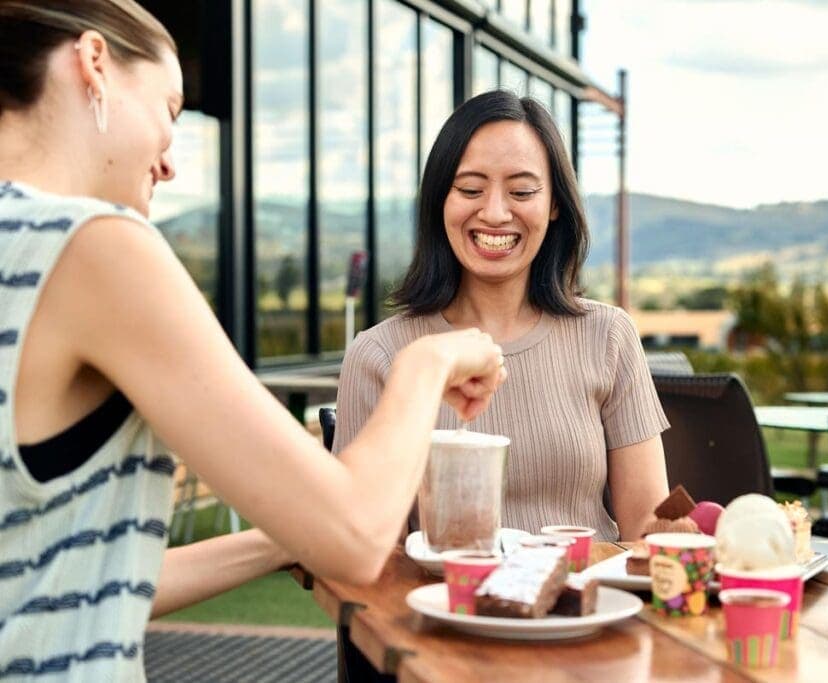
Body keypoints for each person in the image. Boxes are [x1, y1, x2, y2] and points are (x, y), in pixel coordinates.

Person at [0, 1, 504, 679]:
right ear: (94, 63)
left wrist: (283, 539)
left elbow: (65, 582)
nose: (169, 163)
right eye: (170, 110)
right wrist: (431, 358)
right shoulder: (93, 247)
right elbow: (358, 534)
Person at [334, 90, 692, 542]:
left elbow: (645, 528)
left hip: (587, 588)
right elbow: (355, 541)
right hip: (443, 589)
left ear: (555, 203)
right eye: (470, 189)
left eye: (522, 191)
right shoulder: (380, 355)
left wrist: (692, 531)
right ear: (440, 200)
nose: (495, 213)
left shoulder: (608, 336)